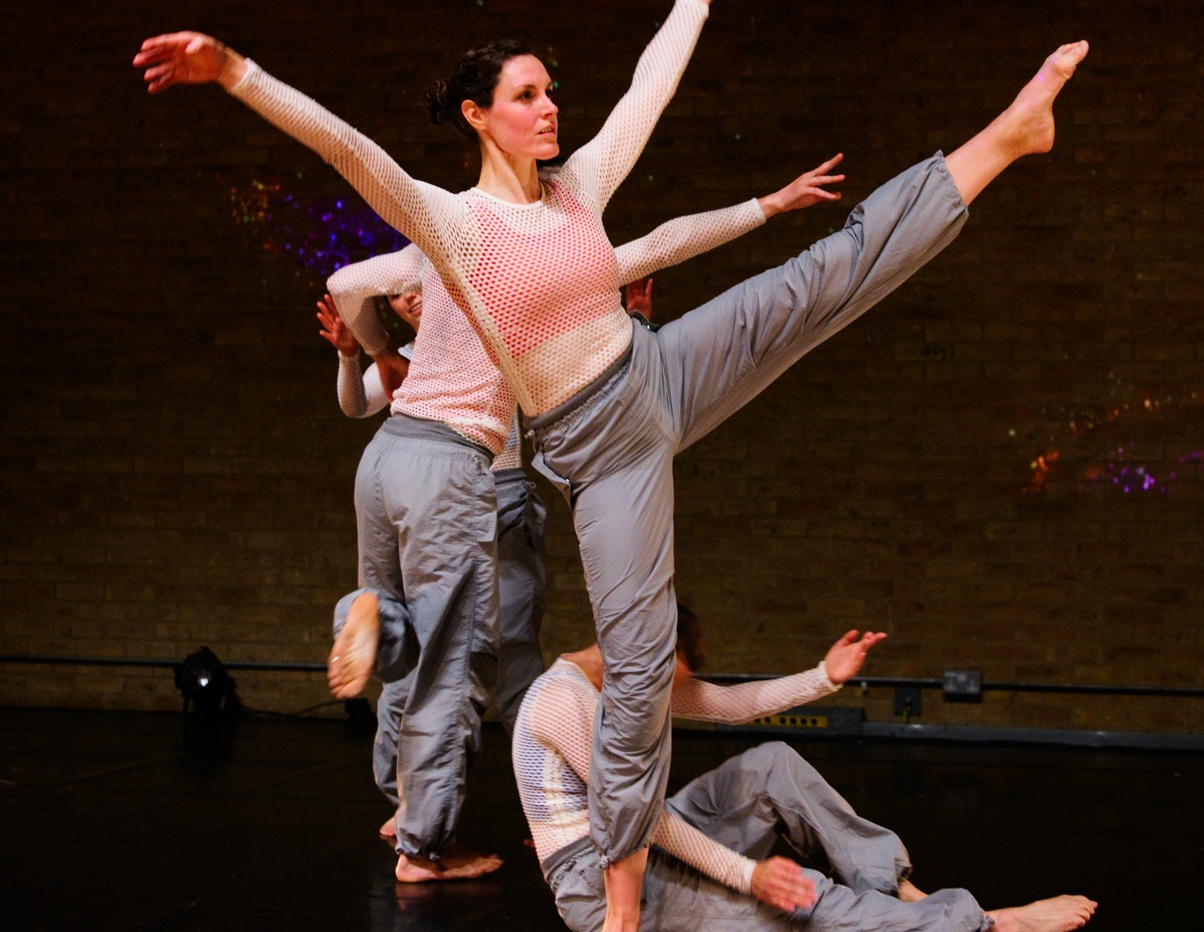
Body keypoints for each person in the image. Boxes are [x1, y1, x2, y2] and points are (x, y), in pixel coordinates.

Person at [135, 0, 1086, 932]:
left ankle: (1004, 138)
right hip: (600, 453)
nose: (550, 108)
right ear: (477, 115)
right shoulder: (453, 225)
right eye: (527, 95)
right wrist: (232, 70)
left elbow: (648, 92)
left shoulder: (578, 185)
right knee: (636, 672)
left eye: (551, 92)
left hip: (657, 369)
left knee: (819, 279)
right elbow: (345, 148)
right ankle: (623, 913)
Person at [317, 169, 843, 854]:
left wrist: (373, 349)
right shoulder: (512, 299)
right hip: (472, 485)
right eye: (402, 297)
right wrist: (765, 206)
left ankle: (388, 690)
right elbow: (647, 258)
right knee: (481, 661)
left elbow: (345, 288)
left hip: (398, 467)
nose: (412, 297)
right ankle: (486, 809)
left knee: (419, 645)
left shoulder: (434, 292)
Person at [513, 615, 1098, 932]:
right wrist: (749, 876)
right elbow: (641, 821)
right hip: (601, 885)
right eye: (670, 678)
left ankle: (898, 889)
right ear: (639, 650)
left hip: (642, 840)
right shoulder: (562, 699)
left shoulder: (623, 678)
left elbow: (730, 705)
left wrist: (823, 677)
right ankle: (991, 931)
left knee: (772, 764)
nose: (672, 694)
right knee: (794, 905)